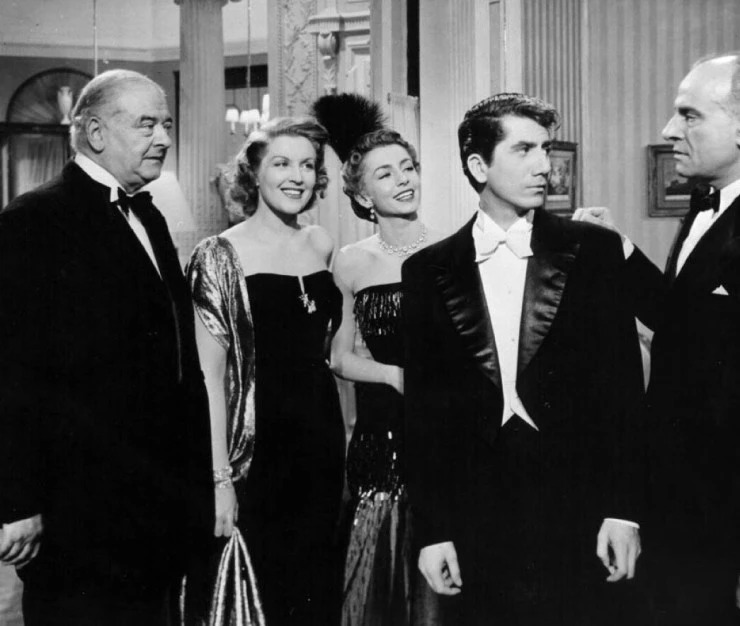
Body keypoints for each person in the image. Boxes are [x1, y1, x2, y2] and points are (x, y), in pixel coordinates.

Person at [402, 93, 645, 625]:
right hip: (476, 507)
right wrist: (433, 531)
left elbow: (623, 390)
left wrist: (623, 510)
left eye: (545, 149)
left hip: (580, 499)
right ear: (478, 165)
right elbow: (423, 411)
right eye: (524, 150)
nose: (543, 166)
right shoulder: (427, 270)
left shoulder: (595, 250)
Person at [0, 69, 213, 625]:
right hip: (77, 514)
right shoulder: (33, 219)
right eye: (146, 124)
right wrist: (17, 501)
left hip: (154, 508)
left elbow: (178, 361)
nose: (163, 138)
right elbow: (12, 371)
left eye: (166, 124)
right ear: (95, 132)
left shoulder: (150, 215)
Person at [575, 52, 740, 625]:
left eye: (689, 115)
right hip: (682, 492)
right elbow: (682, 322)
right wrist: (618, 247)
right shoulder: (706, 203)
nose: (670, 130)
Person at [187, 117, 346, 625]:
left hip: (321, 443)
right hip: (257, 451)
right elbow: (208, 379)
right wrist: (219, 479)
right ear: (254, 173)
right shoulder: (218, 255)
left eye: (307, 165)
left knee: (315, 587)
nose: (296, 176)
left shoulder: (321, 243)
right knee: (263, 591)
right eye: (281, 163)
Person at [327, 126, 443, 625]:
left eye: (408, 168)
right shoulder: (350, 262)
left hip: (443, 427)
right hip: (381, 431)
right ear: (362, 196)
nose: (403, 180)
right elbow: (339, 358)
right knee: (381, 573)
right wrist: (395, 376)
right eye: (386, 174)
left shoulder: (452, 250)